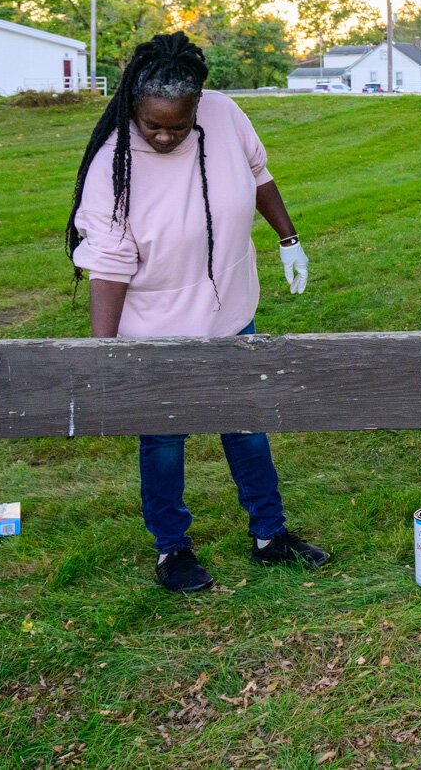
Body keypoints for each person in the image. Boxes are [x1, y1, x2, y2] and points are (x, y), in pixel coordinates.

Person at [66, 32, 328, 592]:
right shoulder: (113, 166)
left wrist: (289, 239)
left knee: (248, 427)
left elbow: (258, 175)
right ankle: (172, 550)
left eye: (177, 127)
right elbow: (107, 268)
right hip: (156, 330)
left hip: (230, 309)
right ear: (133, 105)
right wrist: (102, 355)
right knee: (164, 440)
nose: (163, 135)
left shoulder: (226, 116)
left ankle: (270, 536)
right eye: (151, 125)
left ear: (198, 108)